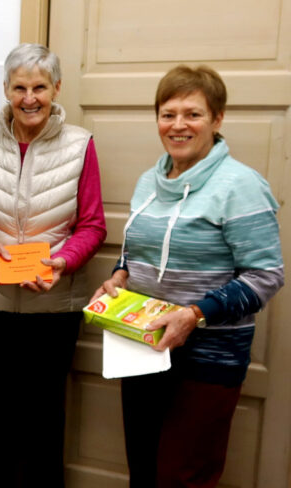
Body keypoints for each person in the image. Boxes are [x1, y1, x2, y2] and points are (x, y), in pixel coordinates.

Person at [92, 65, 283, 488]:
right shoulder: (149, 180)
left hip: (208, 355)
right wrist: (120, 274)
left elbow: (265, 275)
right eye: (168, 114)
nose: (178, 125)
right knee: (143, 469)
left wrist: (194, 314)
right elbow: (136, 248)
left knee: (184, 477)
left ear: (217, 119)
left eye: (193, 114)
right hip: (144, 343)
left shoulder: (241, 185)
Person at [0, 43, 107, 487]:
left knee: (45, 419)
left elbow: (93, 225)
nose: (29, 98)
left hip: (55, 309)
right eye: (19, 87)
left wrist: (62, 262)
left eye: (39, 87)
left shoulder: (80, 144)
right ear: (6, 89)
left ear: (56, 88)